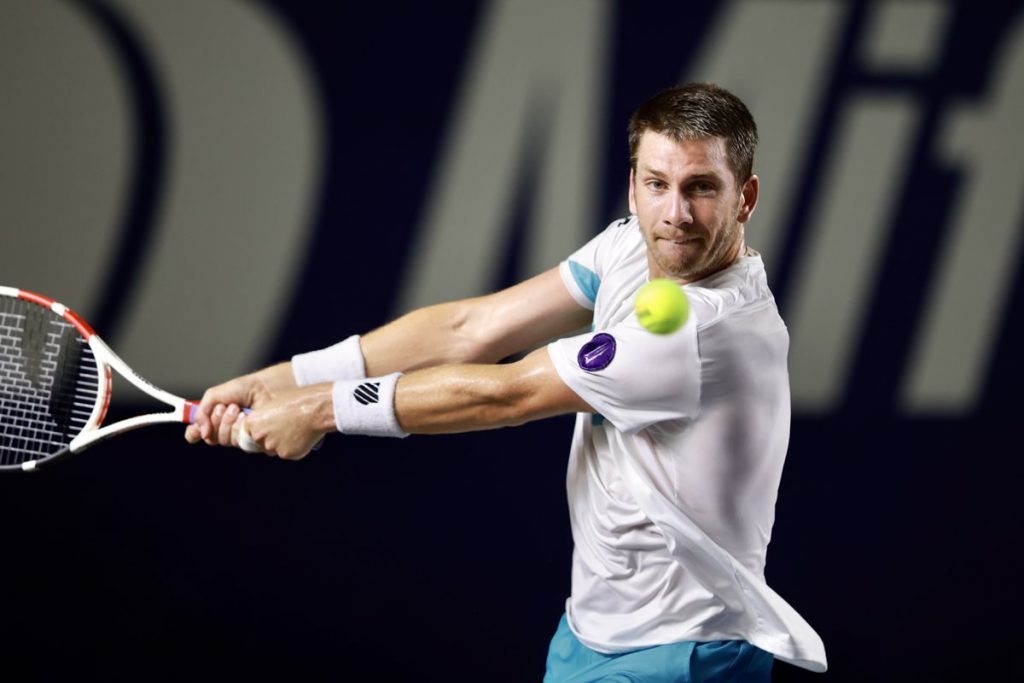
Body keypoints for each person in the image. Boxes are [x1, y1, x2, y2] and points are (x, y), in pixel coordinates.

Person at [185, 82, 827, 681]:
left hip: (681, 655)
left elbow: (507, 393)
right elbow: (471, 328)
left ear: (746, 197)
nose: (676, 213)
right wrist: (283, 379)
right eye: (657, 184)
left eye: (702, 188)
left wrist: (318, 410)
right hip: (591, 636)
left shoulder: (703, 331)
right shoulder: (630, 246)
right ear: (632, 189)